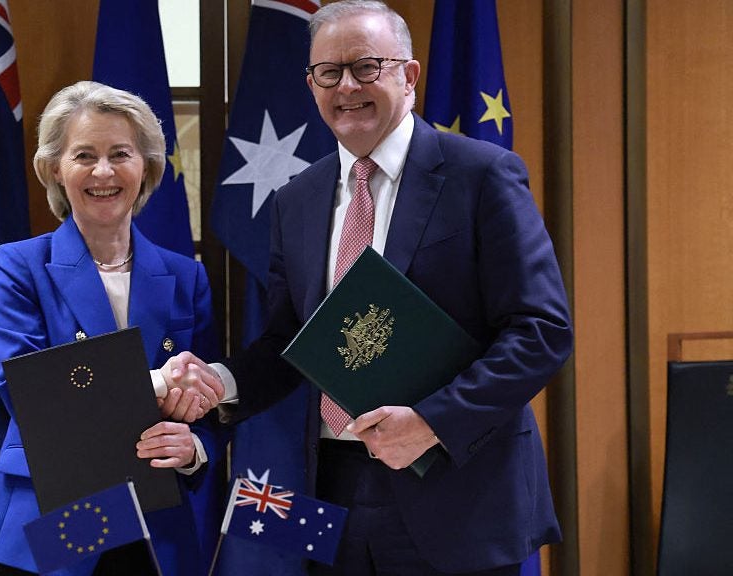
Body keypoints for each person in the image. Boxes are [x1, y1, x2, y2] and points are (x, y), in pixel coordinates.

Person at [164, 2, 573, 575]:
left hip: (460, 493)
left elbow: (541, 331)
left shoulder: (482, 176)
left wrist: (431, 422)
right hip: (333, 493)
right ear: (311, 85)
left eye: (366, 67)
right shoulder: (295, 200)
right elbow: (289, 343)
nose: (346, 87)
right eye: (328, 72)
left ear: (409, 75)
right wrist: (219, 382)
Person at [0, 81, 223, 576]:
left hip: (154, 527)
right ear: (55, 169)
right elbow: (30, 394)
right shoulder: (19, 266)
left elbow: (207, 402)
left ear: (146, 166)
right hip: (50, 521)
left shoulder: (186, 276)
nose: (103, 171)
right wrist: (159, 383)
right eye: (84, 155)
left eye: (120, 154)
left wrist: (192, 449)